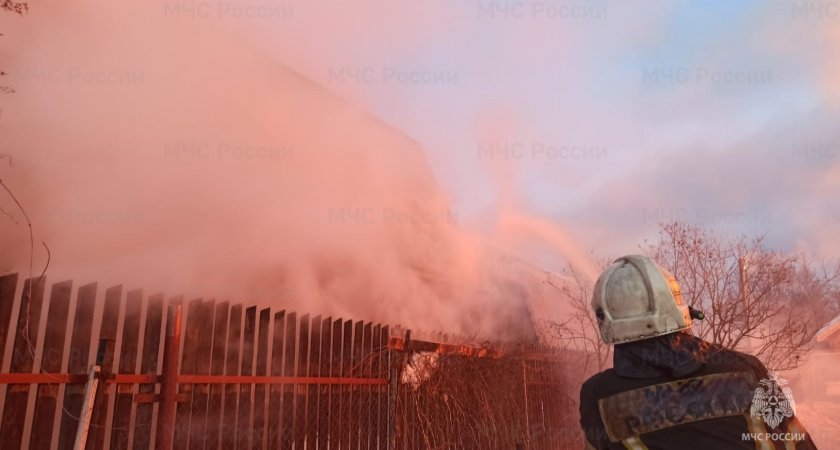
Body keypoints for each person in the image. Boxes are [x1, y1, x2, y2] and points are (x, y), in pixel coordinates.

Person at [579, 255, 818, 450]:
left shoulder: (597, 396)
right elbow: (798, 442)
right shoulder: (744, 368)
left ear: (606, 319)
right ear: (679, 307)